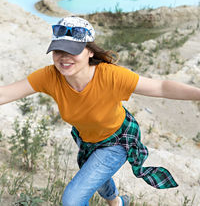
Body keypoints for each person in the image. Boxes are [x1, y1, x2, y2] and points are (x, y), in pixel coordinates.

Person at [0, 16, 200, 206]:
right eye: (58, 50)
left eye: (73, 50)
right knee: (96, 176)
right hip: (86, 138)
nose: (64, 57)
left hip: (117, 139)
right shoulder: (49, 77)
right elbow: (4, 95)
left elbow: (162, 87)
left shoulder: (111, 76)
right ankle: (117, 202)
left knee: (72, 199)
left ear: (90, 52)